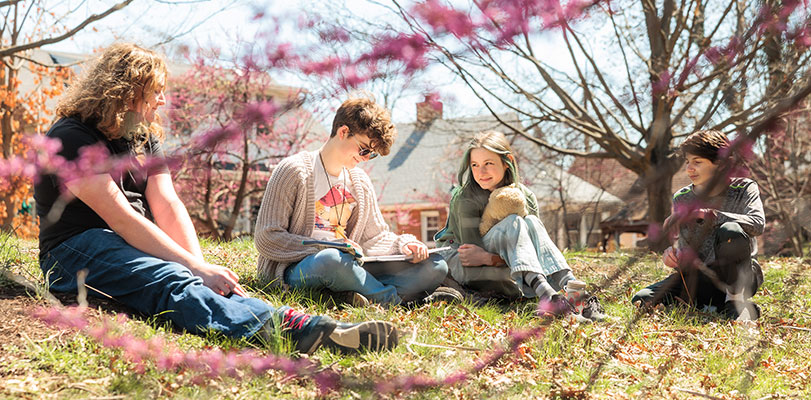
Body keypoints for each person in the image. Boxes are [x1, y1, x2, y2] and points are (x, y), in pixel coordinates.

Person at [34, 43, 397, 355]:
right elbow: (121, 218)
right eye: (154, 91)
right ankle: (295, 331)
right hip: (76, 249)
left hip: (129, 242)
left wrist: (201, 266)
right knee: (170, 279)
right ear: (125, 91)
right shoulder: (71, 137)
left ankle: (300, 323)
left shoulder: (142, 138)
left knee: (188, 274)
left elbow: (167, 204)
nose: (162, 101)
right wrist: (194, 269)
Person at [254, 96, 453, 306]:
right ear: (343, 132)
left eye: (372, 154)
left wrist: (404, 245)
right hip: (300, 267)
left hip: (350, 266)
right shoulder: (294, 171)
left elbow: (373, 237)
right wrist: (326, 247)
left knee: (435, 266)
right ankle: (394, 302)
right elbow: (267, 237)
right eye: (364, 149)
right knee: (332, 260)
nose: (366, 158)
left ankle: (355, 294)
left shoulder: (359, 181)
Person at [434, 131, 604, 321]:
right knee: (513, 222)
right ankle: (548, 295)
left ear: (507, 162)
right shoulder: (465, 198)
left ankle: (573, 291)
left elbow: (534, 246)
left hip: (504, 264)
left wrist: (490, 258)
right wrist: (490, 259)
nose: (481, 172)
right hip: (462, 263)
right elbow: (473, 256)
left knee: (530, 221)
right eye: (475, 165)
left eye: (488, 163)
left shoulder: (524, 195)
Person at [631, 130, 764, 321]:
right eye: (687, 162)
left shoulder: (744, 188)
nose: (689, 169)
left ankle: (735, 301)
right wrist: (672, 253)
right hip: (696, 278)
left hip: (737, 277)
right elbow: (684, 244)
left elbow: (757, 224)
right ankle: (712, 306)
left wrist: (713, 215)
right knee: (642, 300)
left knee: (730, 230)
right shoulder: (682, 197)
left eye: (697, 162)